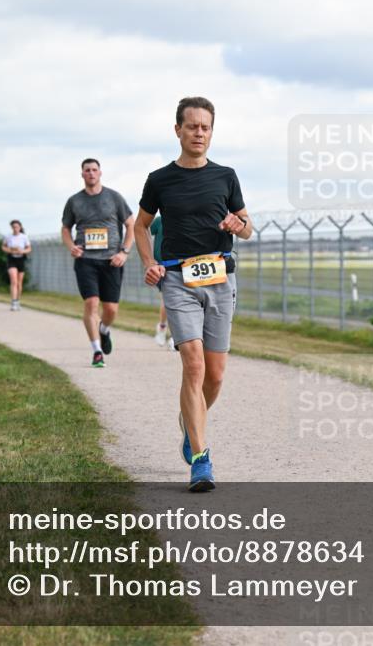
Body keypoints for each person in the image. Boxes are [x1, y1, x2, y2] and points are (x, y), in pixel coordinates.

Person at [134, 96, 252, 492]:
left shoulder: (226, 176)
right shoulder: (159, 180)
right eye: (192, 126)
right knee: (194, 365)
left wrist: (237, 225)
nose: (199, 133)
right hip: (178, 279)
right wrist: (149, 262)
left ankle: (190, 423)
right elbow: (140, 226)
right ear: (178, 130)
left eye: (206, 127)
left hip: (220, 277)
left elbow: (248, 227)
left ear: (211, 132)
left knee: (215, 376)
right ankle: (201, 460)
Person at [61, 158, 135, 367]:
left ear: (100, 173)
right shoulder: (74, 201)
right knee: (91, 303)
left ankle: (104, 329)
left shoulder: (114, 197)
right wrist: (71, 246)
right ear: (82, 174)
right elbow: (65, 228)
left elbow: (130, 224)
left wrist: (124, 252)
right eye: (87, 170)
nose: (91, 173)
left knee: (111, 310)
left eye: (94, 170)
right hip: (86, 260)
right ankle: (97, 352)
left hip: (112, 260)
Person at [150, 215, 175, 350]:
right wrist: (149, 259)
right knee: (168, 299)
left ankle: (176, 337)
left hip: (182, 264)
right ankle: (162, 327)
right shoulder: (159, 220)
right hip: (162, 265)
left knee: (181, 301)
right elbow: (146, 232)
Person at [2, 220, 32, 311]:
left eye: (17, 227)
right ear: (11, 228)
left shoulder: (24, 237)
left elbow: (29, 249)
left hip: (21, 260)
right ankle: (13, 302)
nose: (15, 228)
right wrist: (10, 250)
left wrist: (22, 251)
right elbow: (3, 247)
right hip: (11, 259)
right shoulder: (8, 237)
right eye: (13, 227)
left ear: (20, 227)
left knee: (19, 283)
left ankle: (18, 301)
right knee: (14, 281)